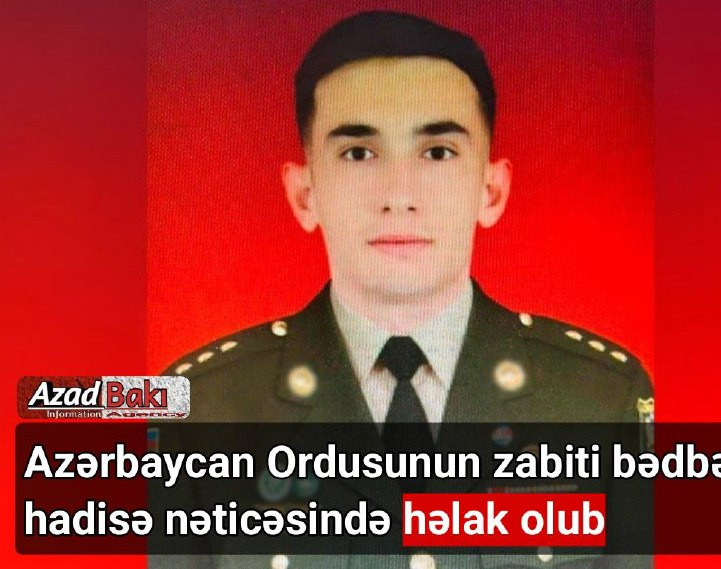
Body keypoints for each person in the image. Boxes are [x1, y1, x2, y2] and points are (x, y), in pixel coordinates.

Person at [160, 10, 654, 568]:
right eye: (358, 153)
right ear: (305, 195)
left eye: (437, 152)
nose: (398, 196)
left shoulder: (600, 398)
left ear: (491, 190)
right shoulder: (201, 409)